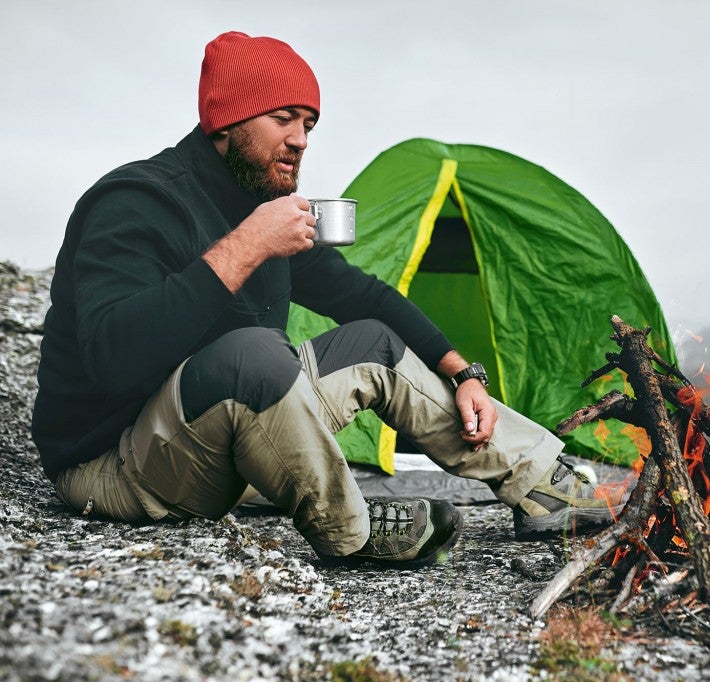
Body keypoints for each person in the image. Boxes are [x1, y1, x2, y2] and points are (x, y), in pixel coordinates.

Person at [31, 31, 620, 569]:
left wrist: (463, 371)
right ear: (225, 122)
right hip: (116, 466)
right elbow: (113, 359)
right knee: (255, 353)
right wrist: (244, 249)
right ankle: (353, 533)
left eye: (309, 123)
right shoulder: (134, 202)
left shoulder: (258, 206)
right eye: (284, 118)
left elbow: (362, 294)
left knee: (372, 341)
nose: (300, 140)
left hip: (220, 438)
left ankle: (540, 482)